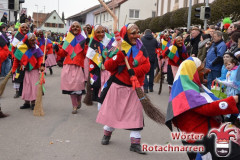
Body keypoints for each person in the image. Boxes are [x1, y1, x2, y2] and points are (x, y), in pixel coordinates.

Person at [166, 57, 240, 160]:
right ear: (193, 73)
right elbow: (208, 108)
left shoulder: (189, 85)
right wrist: (235, 99)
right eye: (201, 70)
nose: (206, 72)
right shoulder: (187, 92)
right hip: (202, 139)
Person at [96, 23, 150, 154]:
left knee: (136, 115)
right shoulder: (117, 46)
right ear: (126, 34)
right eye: (133, 33)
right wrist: (119, 56)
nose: (136, 35)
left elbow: (147, 65)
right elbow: (108, 65)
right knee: (113, 112)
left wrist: (135, 71)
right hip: (118, 86)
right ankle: (107, 134)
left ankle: (135, 143)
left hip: (135, 87)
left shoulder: (141, 47)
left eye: (138, 32)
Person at [55, 21, 87, 114]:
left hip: (78, 66)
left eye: (77, 26)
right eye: (73, 26)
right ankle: (74, 106)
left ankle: (79, 100)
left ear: (80, 28)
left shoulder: (83, 39)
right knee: (71, 88)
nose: (75, 28)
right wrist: (57, 49)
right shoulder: (68, 38)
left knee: (78, 86)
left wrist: (87, 46)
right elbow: (63, 53)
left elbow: (85, 54)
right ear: (71, 28)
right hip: (68, 65)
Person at [12, 33, 44, 110]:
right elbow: (16, 60)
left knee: (34, 87)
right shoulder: (20, 48)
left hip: (34, 70)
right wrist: (14, 69)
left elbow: (40, 58)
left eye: (34, 40)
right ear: (27, 40)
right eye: (32, 40)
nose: (34, 42)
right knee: (26, 87)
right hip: (25, 71)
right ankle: (27, 102)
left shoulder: (36, 48)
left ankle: (33, 102)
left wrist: (41, 65)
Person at [86, 24, 112, 107]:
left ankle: (104, 102)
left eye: (103, 32)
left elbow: (114, 51)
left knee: (106, 87)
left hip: (107, 69)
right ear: (94, 33)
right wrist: (100, 63)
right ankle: (96, 97)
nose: (101, 34)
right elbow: (91, 56)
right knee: (95, 83)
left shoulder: (109, 40)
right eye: (98, 32)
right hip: (96, 68)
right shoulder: (93, 42)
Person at [216, 57, 240, 122]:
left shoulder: (236, 72)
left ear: (233, 63)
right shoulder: (230, 71)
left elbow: (234, 84)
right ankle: (230, 117)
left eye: (229, 64)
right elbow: (227, 80)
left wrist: (222, 82)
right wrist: (220, 80)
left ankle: (233, 118)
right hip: (230, 91)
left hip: (235, 92)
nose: (227, 66)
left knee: (234, 105)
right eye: (226, 65)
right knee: (231, 104)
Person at [11, 23, 29, 98]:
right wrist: (15, 57)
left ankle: (26, 92)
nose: (25, 29)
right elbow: (13, 48)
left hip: (27, 59)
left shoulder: (29, 36)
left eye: (26, 27)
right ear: (20, 28)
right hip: (18, 59)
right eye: (23, 27)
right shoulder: (17, 36)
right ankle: (17, 92)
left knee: (27, 78)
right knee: (17, 77)